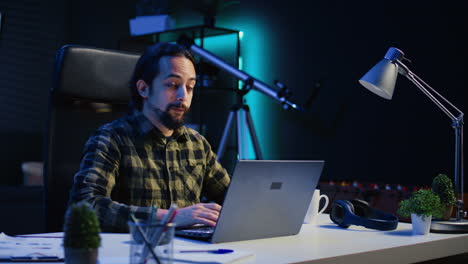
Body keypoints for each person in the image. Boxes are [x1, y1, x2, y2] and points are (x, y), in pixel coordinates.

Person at [69, 42, 231, 232]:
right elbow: (85, 205)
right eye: (172, 85)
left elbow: (233, 198)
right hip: (133, 254)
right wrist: (170, 217)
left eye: (190, 86)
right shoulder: (111, 139)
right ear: (143, 89)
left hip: (189, 254)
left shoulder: (197, 144)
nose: (183, 96)